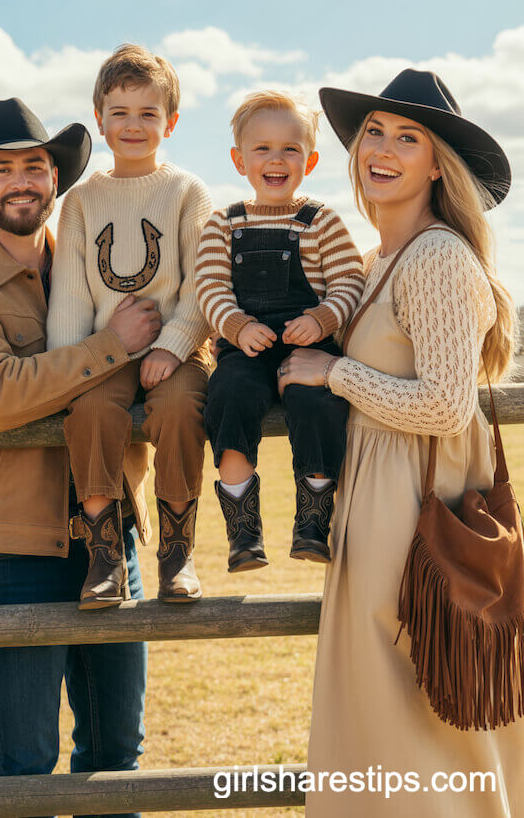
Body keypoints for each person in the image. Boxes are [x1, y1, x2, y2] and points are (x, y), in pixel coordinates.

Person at [278, 69, 524, 816]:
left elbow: (447, 407)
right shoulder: (387, 255)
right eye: (374, 134)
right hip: (383, 496)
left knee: (410, 713)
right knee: (386, 712)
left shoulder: (438, 256)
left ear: (435, 164)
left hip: (414, 508)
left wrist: (336, 372)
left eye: (407, 138)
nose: (382, 149)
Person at [0, 97, 162, 816]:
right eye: (4, 168)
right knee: (25, 761)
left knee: (118, 753)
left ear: (55, 179)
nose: (22, 180)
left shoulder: (97, 268)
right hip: (12, 548)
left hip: (108, 534)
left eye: (36, 165)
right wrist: (110, 344)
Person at [46, 44, 212, 607]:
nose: (133, 125)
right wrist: (70, 367)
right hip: (105, 349)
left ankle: (177, 552)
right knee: (90, 408)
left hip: (178, 350)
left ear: (172, 121)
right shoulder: (81, 203)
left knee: (179, 406)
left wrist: (173, 344)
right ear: (100, 119)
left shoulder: (188, 192)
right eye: (120, 113)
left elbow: (202, 285)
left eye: (148, 113)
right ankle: (104, 554)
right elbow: (70, 294)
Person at [195, 91, 364, 572]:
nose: (276, 158)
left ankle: (313, 521)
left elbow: (351, 281)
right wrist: (236, 324)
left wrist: (322, 318)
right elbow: (209, 286)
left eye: (290, 149)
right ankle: (243, 533)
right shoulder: (223, 224)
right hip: (244, 351)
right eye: (262, 148)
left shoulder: (323, 222)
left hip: (307, 353)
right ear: (238, 159)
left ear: (309, 160)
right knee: (227, 400)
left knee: (317, 408)